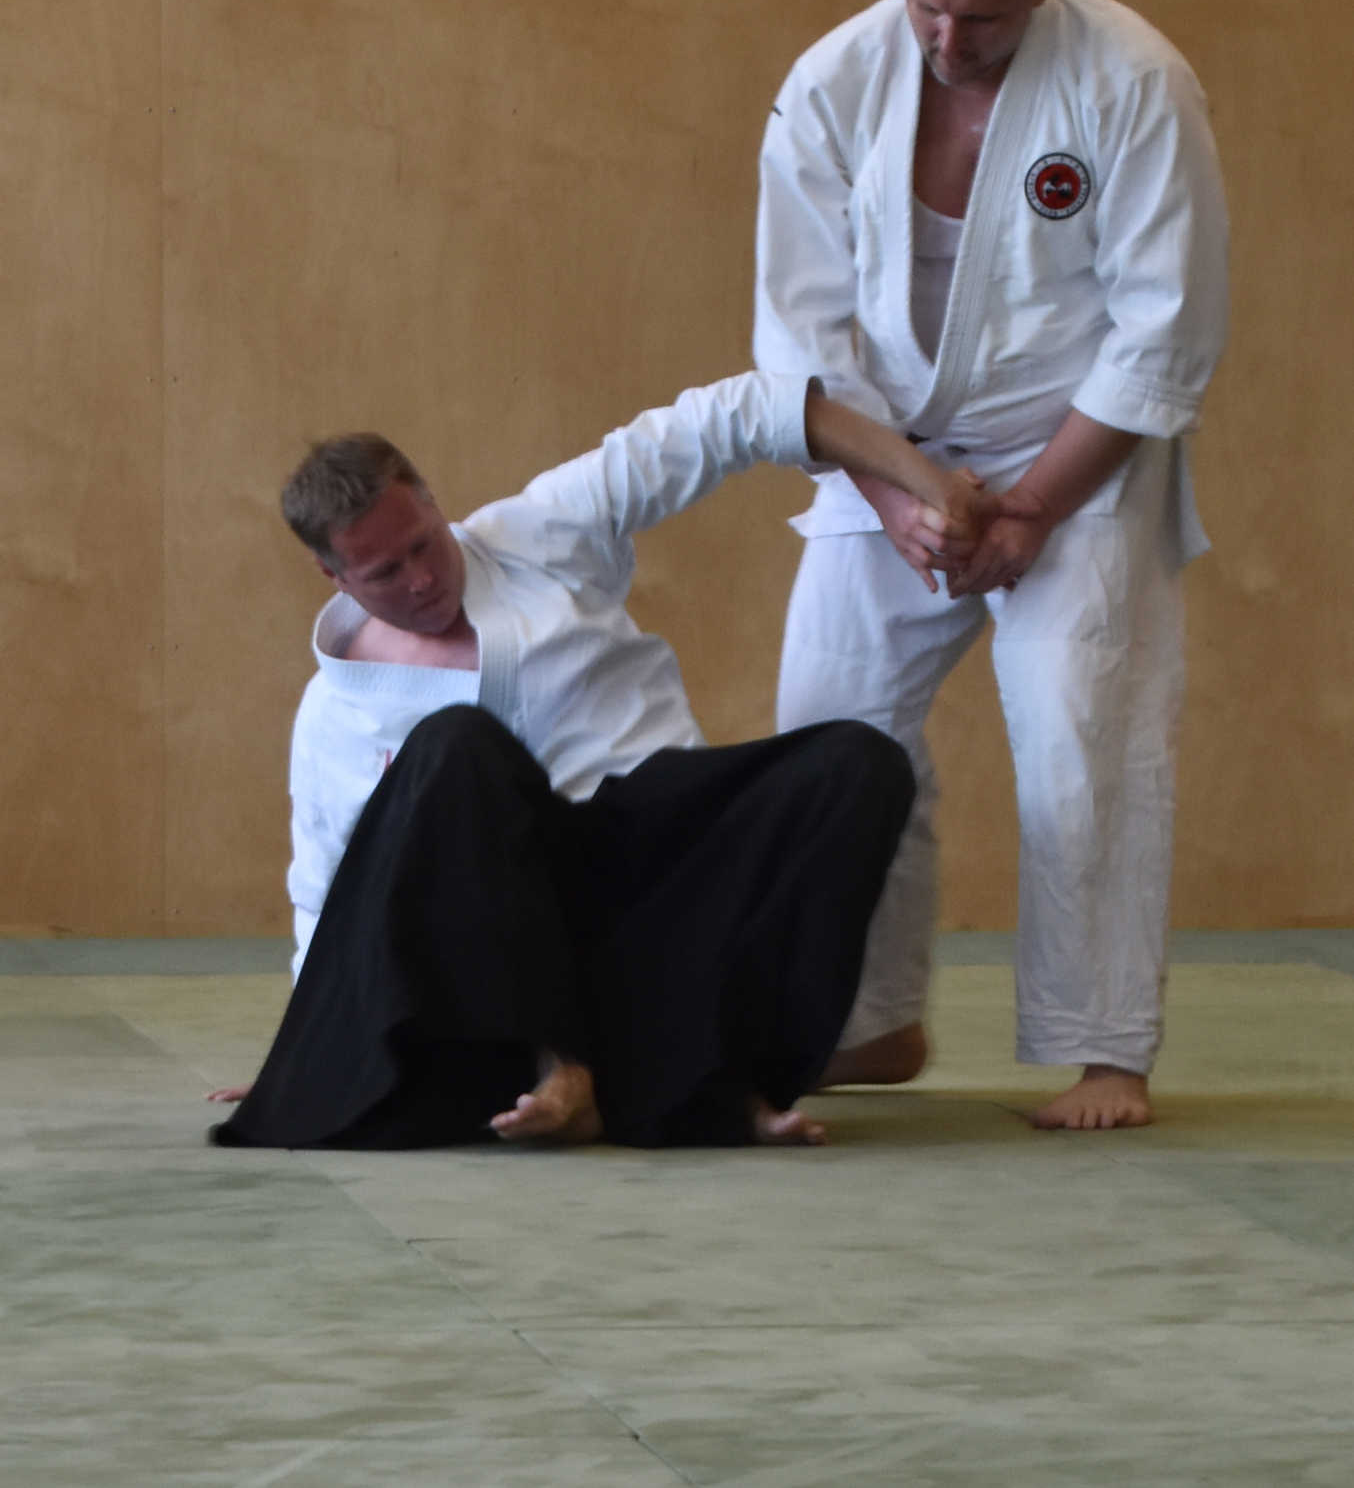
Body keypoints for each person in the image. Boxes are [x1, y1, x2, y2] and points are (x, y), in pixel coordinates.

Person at [211, 372, 994, 1152]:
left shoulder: (539, 532)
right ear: (333, 575)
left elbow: (730, 419)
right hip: (500, 936)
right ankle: (567, 1067)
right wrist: (306, 1059)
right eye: (385, 572)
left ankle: (720, 1072)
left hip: (656, 869)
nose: (421, 579)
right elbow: (328, 889)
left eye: (424, 542)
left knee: (856, 764)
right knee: (457, 745)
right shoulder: (336, 712)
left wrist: (926, 485)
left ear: (433, 501)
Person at [754, 0, 1229, 1129]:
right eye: (926, 8)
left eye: (979, 17)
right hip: (886, 445)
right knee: (829, 728)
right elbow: (801, 330)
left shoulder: (1131, 80)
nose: (947, 40)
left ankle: (1106, 1052)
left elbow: (1165, 325)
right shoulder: (832, 82)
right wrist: (895, 492)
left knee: (1083, 732)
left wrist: (1030, 508)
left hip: (1078, 447)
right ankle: (865, 1019)